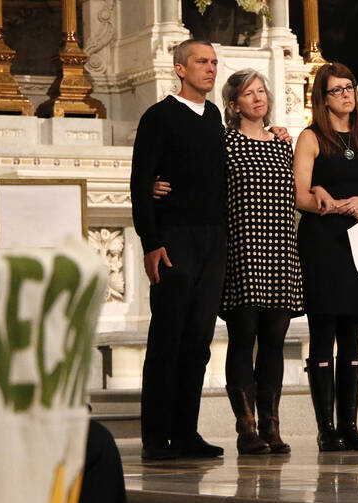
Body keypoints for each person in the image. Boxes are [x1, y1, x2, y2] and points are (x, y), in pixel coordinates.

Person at [153, 69, 299, 456]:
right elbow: (197, 179)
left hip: (281, 249)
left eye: (262, 92)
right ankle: (246, 428)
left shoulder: (284, 144)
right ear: (234, 104)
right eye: (249, 94)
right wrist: (156, 184)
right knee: (243, 338)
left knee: (274, 343)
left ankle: (272, 426)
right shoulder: (225, 143)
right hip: (241, 250)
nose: (258, 99)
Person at [130, 39, 226, 460]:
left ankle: (186, 432)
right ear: (180, 69)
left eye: (214, 62)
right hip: (175, 238)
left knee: (199, 339)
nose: (210, 68)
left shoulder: (214, 116)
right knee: (168, 337)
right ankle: (156, 437)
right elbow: (140, 182)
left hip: (212, 238)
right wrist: (151, 242)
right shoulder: (159, 116)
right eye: (202, 62)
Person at [293, 62, 358, 452]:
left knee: (352, 335)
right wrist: (344, 205)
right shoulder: (311, 138)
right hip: (324, 242)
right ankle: (325, 428)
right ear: (322, 98)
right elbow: (300, 195)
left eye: (350, 88)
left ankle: (349, 423)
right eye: (337, 90)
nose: (347, 95)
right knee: (323, 333)